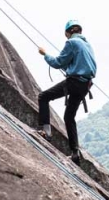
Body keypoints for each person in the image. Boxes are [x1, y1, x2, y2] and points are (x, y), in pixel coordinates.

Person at [38, 19, 97, 164]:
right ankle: (75, 153)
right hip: (85, 85)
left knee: (43, 97)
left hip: (74, 82)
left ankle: (46, 132)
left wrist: (45, 54)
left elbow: (58, 63)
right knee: (69, 117)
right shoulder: (87, 45)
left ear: (68, 32)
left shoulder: (71, 43)